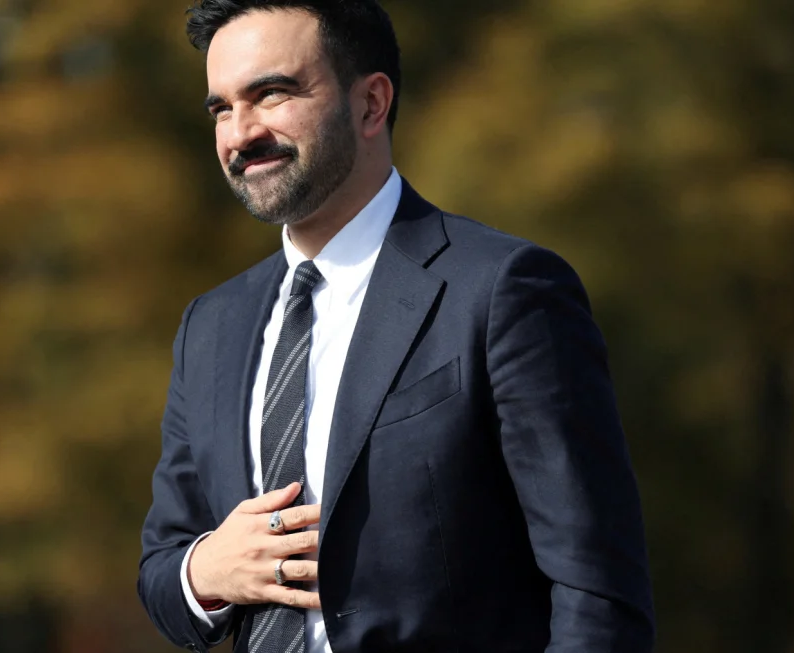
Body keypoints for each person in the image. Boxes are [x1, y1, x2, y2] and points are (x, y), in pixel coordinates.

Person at [137, 1, 655, 651]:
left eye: (270, 94)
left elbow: (596, 594)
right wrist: (207, 570)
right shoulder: (210, 325)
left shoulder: (503, 291)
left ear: (370, 103)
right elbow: (164, 570)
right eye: (221, 108)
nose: (239, 133)